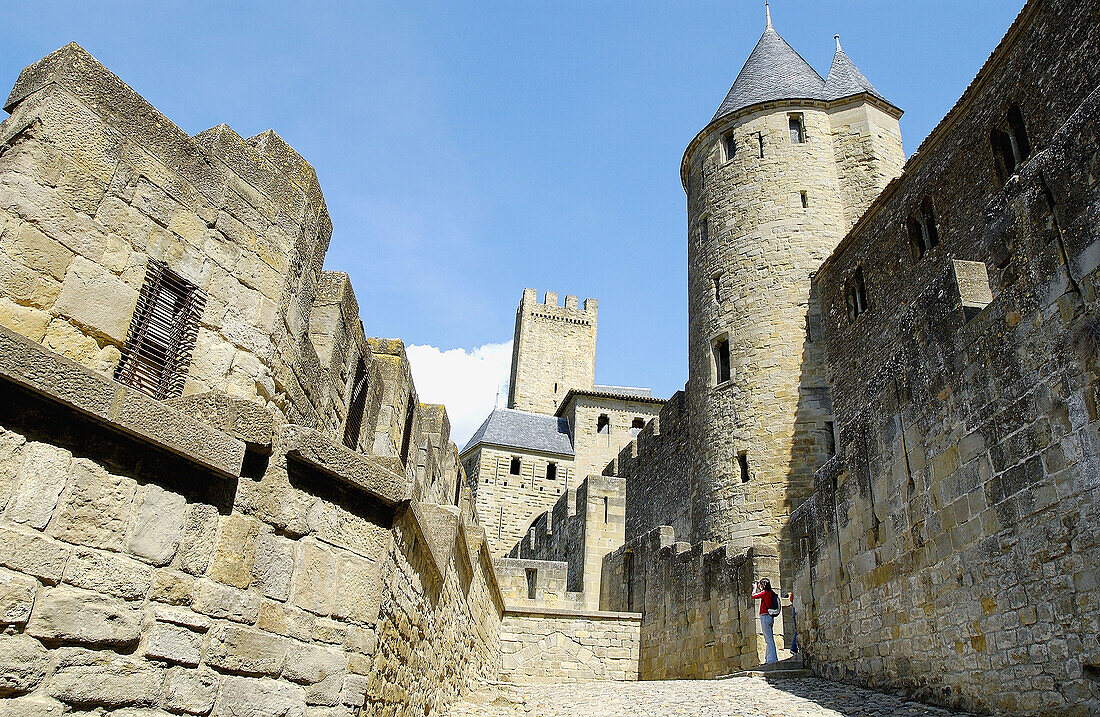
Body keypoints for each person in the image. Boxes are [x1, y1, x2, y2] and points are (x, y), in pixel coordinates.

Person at [751, 578, 780, 664]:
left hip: (765, 616)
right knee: (770, 638)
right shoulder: (771, 593)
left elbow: (753, 596)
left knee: (768, 639)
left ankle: (771, 659)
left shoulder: (765, 593)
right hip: (770, 617)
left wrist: (754, 588)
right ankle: (769, 658)